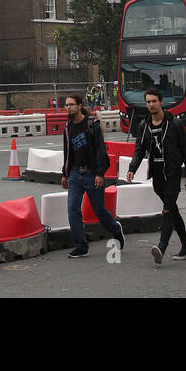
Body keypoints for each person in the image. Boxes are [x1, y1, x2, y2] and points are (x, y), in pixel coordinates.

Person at [126, 88, 186, 263]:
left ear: (161, 102)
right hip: (156, 174)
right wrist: (132, 168)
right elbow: (139, 149)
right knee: (172, 209)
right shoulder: (144, 125)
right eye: (148, 102)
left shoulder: (175, 124)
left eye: (154, 101)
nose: (151, 105)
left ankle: (161, 247)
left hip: (172, 173)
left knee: (167, 208)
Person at [61, 93, 124, 258]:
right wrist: (65, 174)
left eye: (71, 105)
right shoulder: (67, 127)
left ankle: (116, 229)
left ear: (80, 106)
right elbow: (67, 152)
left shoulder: (92, 125)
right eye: (66, 105)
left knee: (99, 210)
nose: (68, 108)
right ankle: (81, 246)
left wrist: (99, 173)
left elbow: (100, 151)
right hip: (74, 173)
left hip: (92, 173)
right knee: (73, 210)